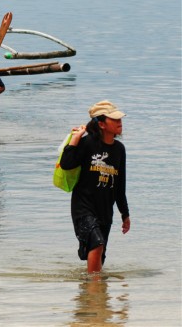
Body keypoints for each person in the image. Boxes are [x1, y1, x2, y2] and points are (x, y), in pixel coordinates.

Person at [59, 100, 130, 274]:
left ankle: (92, 292)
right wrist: (75, 138)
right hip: (83, 207)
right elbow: (66, 164)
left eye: (119, 118)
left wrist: (125, 214)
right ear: (101, 124)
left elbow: (120, 185)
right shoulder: (87, 143)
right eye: (114, 119)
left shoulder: (119, 149)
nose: (119, 122)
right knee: (97, 244)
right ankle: (94, 291)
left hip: (105, 209)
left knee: (100, 254)